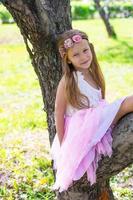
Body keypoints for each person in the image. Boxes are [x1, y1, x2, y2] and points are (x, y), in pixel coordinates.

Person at [50, 29, 133, 193]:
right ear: (68, 60)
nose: (83, 57)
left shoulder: (93, 75)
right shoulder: (69, 80)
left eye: (85, 51)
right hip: (84, 128)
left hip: (96, 120)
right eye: (76, 55)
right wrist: (63, 144)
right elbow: (58, 113)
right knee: (129, 102)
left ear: (91, 49)